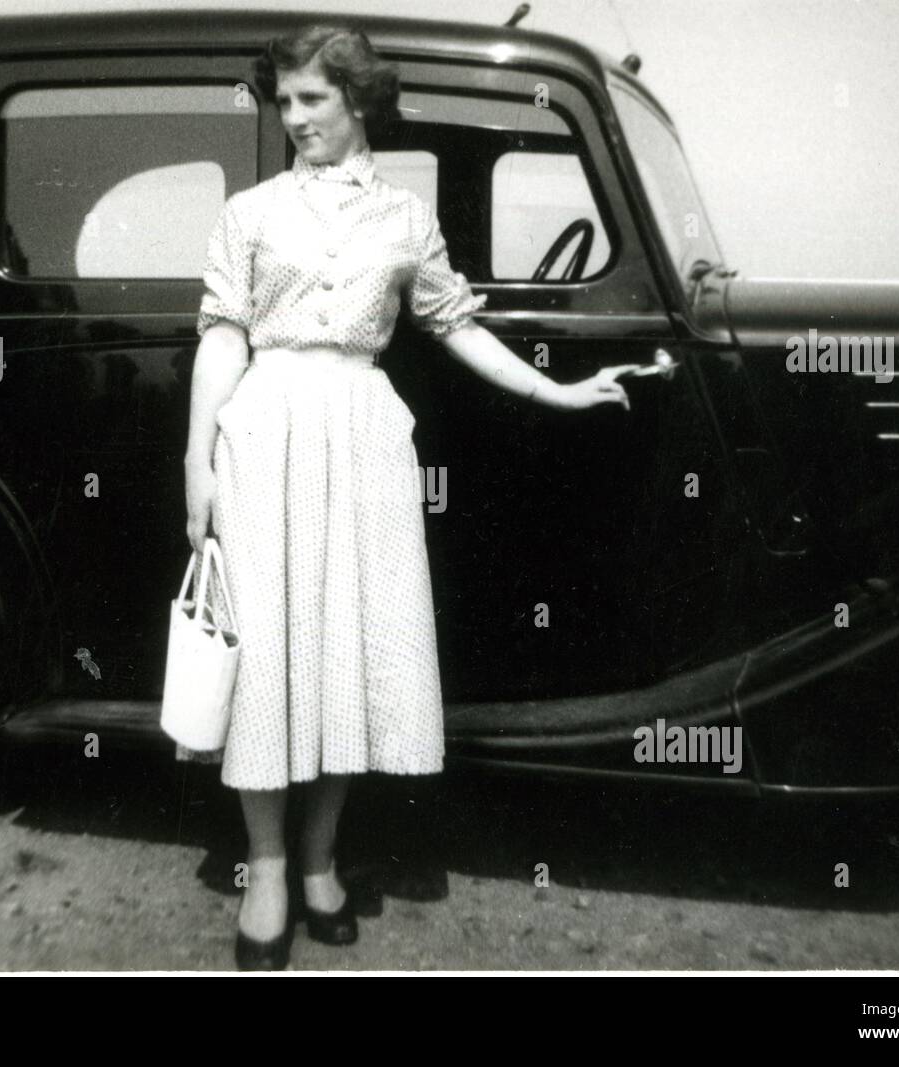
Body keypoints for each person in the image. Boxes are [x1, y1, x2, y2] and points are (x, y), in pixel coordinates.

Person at [179, 24, 634, 970]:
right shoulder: (252, 212)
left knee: (349, 640)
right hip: (264, 433)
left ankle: (317, 862)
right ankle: (263, 869)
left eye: (312, 98)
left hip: (365, 438)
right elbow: (223, 335)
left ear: (356, 102)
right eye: (285, 98)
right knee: (266, 652)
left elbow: (455, 323)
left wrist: (558, 390)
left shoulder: (404, 220)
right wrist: (198, 462)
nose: (292, 114)